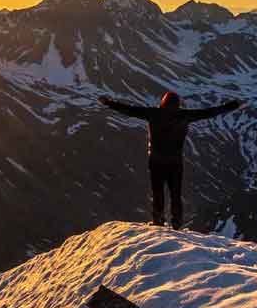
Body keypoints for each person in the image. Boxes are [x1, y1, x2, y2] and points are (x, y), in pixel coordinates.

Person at [99, 91, 244, 229]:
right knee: (175, 193)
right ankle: (177, 223)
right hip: (175, 162)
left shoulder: (153, 113)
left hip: (156, 161)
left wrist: (108, 103)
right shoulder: (185, 115)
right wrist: (234, 105)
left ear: (163, 102)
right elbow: (210, 112)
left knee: (158, 192)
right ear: (178, 104)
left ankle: (158, 221)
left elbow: (128, 110)